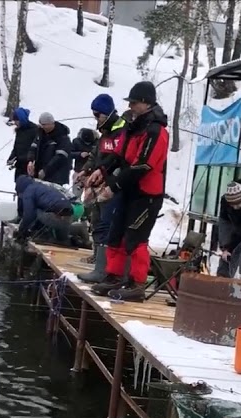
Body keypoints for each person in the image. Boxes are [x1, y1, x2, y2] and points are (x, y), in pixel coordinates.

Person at [90, 81, 169, 303]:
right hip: (128, 191)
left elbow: (142, 165)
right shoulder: (133, 127)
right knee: (116, 233)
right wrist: (101, 169)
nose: (131, 106)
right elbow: (119, 154)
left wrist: (113, 186)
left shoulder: (157, 131)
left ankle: (137, 284)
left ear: (145, 102)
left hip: (147, 194)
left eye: (134, 103)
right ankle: (114, 276)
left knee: (136, 238)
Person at [76, 94, 127, 283]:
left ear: (107, 113)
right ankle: (97, 257)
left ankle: (104, 269)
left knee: (108, 224)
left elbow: (117, 157)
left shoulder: (122, 130)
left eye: (98, 114)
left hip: (111, 184)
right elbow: (95, 154)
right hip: (97, 182)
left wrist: (104, 174)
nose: (96, 118)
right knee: (96, 221)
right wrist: (86, 170)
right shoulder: (104, 133)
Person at [14, 175, 76, 244]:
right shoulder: (42, 187)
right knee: (61, 240)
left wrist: (21, 231)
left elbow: (29, 215)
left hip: (56, 216)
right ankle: (76, 231)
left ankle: (44, 235)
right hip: (70, 215)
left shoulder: (28, 191)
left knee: (35, 211)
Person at [27, 111, 74, 185]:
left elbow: (60, 157)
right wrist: (30, 160)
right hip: (40, 173)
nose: (42, 127)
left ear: (51, 123)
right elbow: (33, 147)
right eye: (41, 125)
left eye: (44, 125)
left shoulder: (63, 137)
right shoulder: (40, 133)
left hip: (56, 176)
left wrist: (46, 170)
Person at [6, 107, 37, 180]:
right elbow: (16, 147)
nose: (15, 123)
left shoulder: (34, 130)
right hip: (19, 165)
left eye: (17, 120)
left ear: (22, 119)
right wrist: (12, 157)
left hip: (29, 166)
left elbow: (36, 149)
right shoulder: (19, 131)